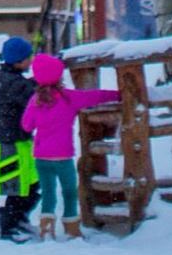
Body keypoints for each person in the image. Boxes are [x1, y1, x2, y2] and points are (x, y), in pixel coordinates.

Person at [21, 53, 119, 241]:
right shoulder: (68, 98)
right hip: (63, 157)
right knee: (69, 192)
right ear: (59, 76)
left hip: (41, 157)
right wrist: (118, 95)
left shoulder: (35, 101)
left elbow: (26, 125)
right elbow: (94, 97)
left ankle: (47, 229)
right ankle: (72, 228)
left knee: (48, 193)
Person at [0, 36, 40, 243]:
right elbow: (30, 93)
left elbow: (28, 87)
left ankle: (19, 219)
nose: (31, 61)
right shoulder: (9, 81)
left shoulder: (10, 78)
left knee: (31, 182)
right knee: (17, 185)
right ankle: (9, 227)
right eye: (29, 58)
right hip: (8, 140)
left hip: (18, 138)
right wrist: (46, 78)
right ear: (18, 60)